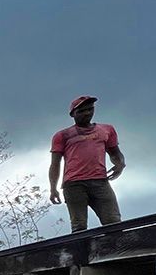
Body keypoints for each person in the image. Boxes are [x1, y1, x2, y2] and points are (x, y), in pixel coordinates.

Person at [49, 95, 126, 232]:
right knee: (79, 226)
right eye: (82, 111)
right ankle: (81, 253)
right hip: (74, 184)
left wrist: (120, 164)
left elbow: (115, 153)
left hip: (100, 182)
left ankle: (116, 251)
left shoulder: (106, 130)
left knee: (113, 222)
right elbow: (55, 164)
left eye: (90, 109)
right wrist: (53, 188)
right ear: (73, 114)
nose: (87, 113)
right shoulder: (63, 135)